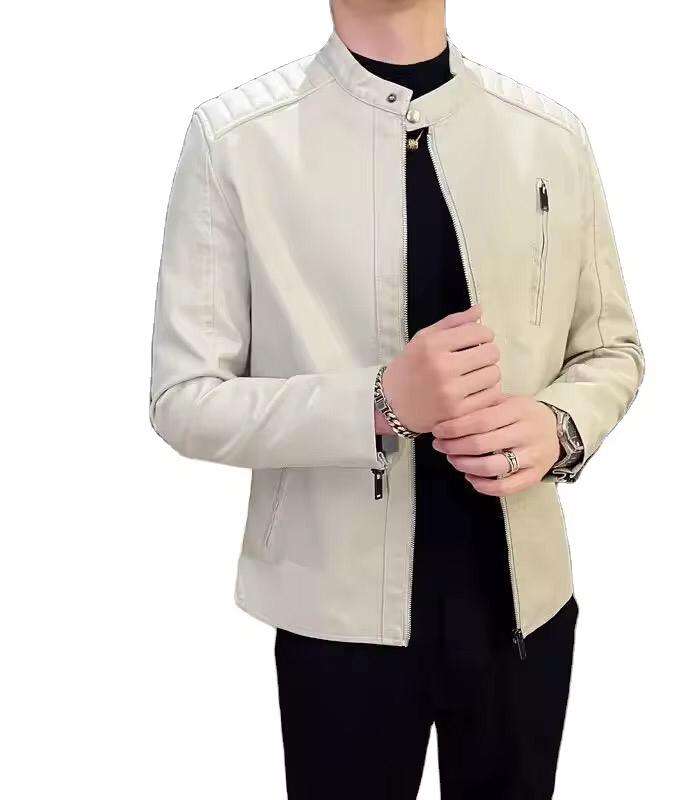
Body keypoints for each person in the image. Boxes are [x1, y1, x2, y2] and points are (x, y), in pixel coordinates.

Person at [149, 0, 644, 796]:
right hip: (336, 625)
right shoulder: (237, 141)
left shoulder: (549, 135)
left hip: (524, 615)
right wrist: (377, 404)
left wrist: (558, 425)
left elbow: (611, 348)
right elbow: (185, 397)